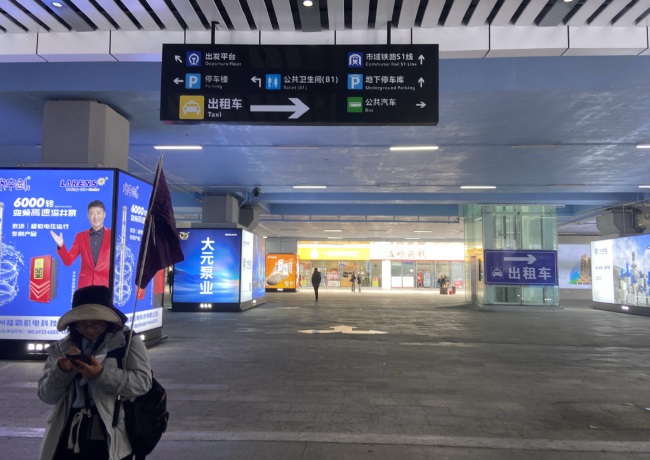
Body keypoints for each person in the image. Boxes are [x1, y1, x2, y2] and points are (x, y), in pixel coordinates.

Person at [38, 285, 152, 460]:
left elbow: (142, 383)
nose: (89, 329)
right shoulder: (62, 347)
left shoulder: (127, 342)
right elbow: (47, 396)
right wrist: (61, 371)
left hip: (111, 431)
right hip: (68, 430)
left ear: (108, 321)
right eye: (82, 324)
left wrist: (100, 374)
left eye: (96, 324)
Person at [51, 200, 111, 289]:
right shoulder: (80, 236)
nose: (95, 217)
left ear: (104, 214)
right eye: (92, 213)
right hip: (85, 286)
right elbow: (68, 261)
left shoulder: (113, 235)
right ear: (88, 216)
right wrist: (61, 245)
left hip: (105, 287)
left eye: (99, 213)